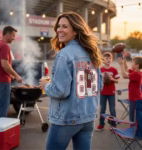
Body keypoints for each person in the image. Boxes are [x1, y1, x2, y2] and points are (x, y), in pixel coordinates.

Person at [39, 12, 103, 150]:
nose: (59, 30)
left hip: (66, 119)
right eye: (58, 26)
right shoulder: (91, 52)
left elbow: (60, 91)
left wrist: (46, 86)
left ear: (75, 31)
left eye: (64, 26)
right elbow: (99, 86)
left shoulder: (64, 54)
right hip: (88, 118)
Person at [0, 26, 22, 120]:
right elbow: (4, 65)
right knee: (3, 107)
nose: (14, 38)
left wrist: (9, 75)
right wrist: (16, 75)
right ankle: (0, 131)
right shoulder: (5, 46)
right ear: (7, 34)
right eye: (13, 36)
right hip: (2, 82)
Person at [96, 52, 120, 131]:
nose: (108, 60)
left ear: (112, 59)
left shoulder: (114, 69)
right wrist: (102, 79)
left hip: (111, 92)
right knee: (102, 109)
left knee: (112, 110)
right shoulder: (100, 70)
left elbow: (117, 80)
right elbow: (96, 80)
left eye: (110, 58)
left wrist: (112, 79)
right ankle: (101, 124)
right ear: (103, 60)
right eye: (106, 58)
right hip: (103, 92)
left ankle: (113, 124)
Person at [118, 52, 142, 122]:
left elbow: (124, 75)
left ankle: (133, 129)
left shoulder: (137, 74)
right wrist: (124, 59)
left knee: (132, 116)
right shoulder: (136, 72)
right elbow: (126, 69)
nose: (131, 64)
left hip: (135, 99)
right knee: (132, 115)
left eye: (132, 63)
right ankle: (134, 128)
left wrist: (121, 64)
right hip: (134, 98)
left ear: (137, 65)